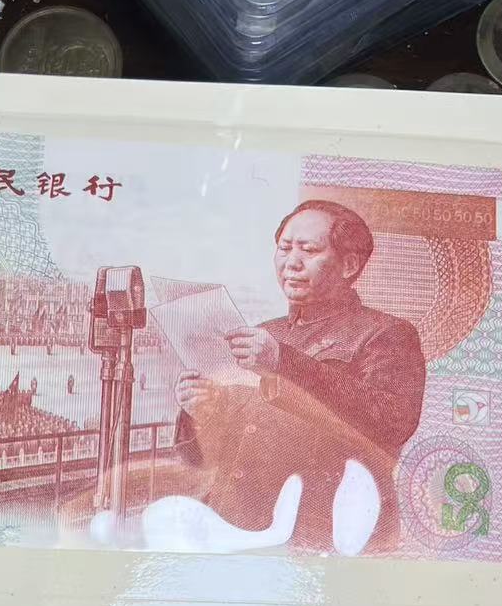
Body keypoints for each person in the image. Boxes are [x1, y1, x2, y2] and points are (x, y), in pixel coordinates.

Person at [170, 200, 427, 553]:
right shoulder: (265, 333)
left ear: (349, 265)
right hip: (233, 529)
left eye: (309, 249)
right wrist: (202, 411)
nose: (292, 261)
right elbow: (202, 460)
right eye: (284, 248)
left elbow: (392, 422)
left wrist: (283, 362)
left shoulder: (386, 333)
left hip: (323, 534)